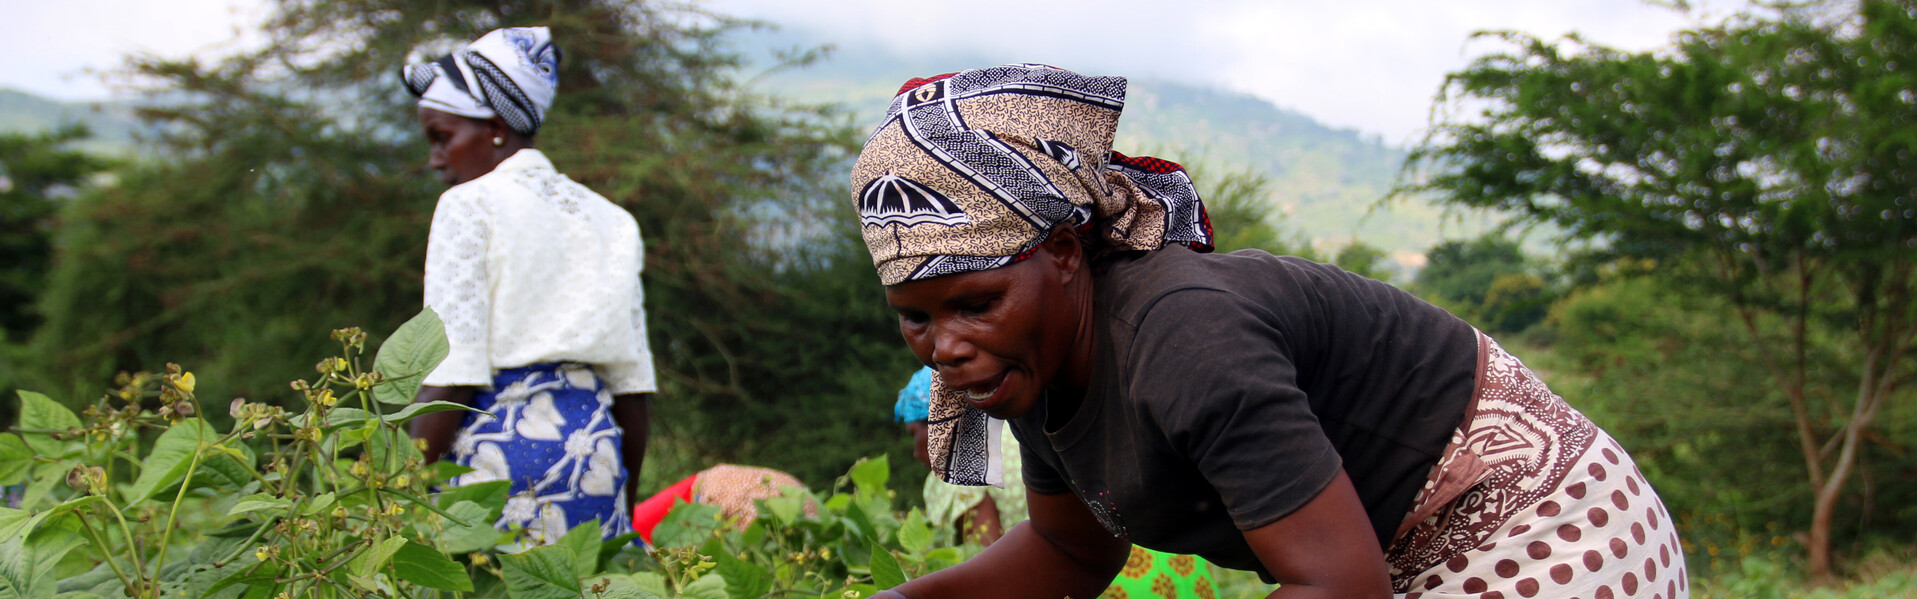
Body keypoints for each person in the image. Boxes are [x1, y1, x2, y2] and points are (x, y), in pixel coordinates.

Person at [853, 64, 1686, 598]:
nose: (945, 346)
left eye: (975, 303)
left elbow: (1336, 586)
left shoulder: (1180, 340)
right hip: (1383, 564)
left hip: (1542, 535)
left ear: (1064, 251)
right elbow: (1072, 555)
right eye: (916, 317)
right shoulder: (1032, 364)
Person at [400, 27, 657, 543]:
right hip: (593, 461)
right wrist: (621, 520)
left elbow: (454, 371)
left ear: (495, 128)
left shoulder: (467, 206)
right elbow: (632, 387)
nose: (435, 159)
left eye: (442, 137)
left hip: (495, 466)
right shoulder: (611, 219)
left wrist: (396, 496)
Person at [896, 366, 1218, 598]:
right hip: (1180, 563)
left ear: (938, 420)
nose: (915, 452)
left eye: (916, 435)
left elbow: (991, 553)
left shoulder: (963, 462)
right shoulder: (1037, 425)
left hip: (1099, 581)